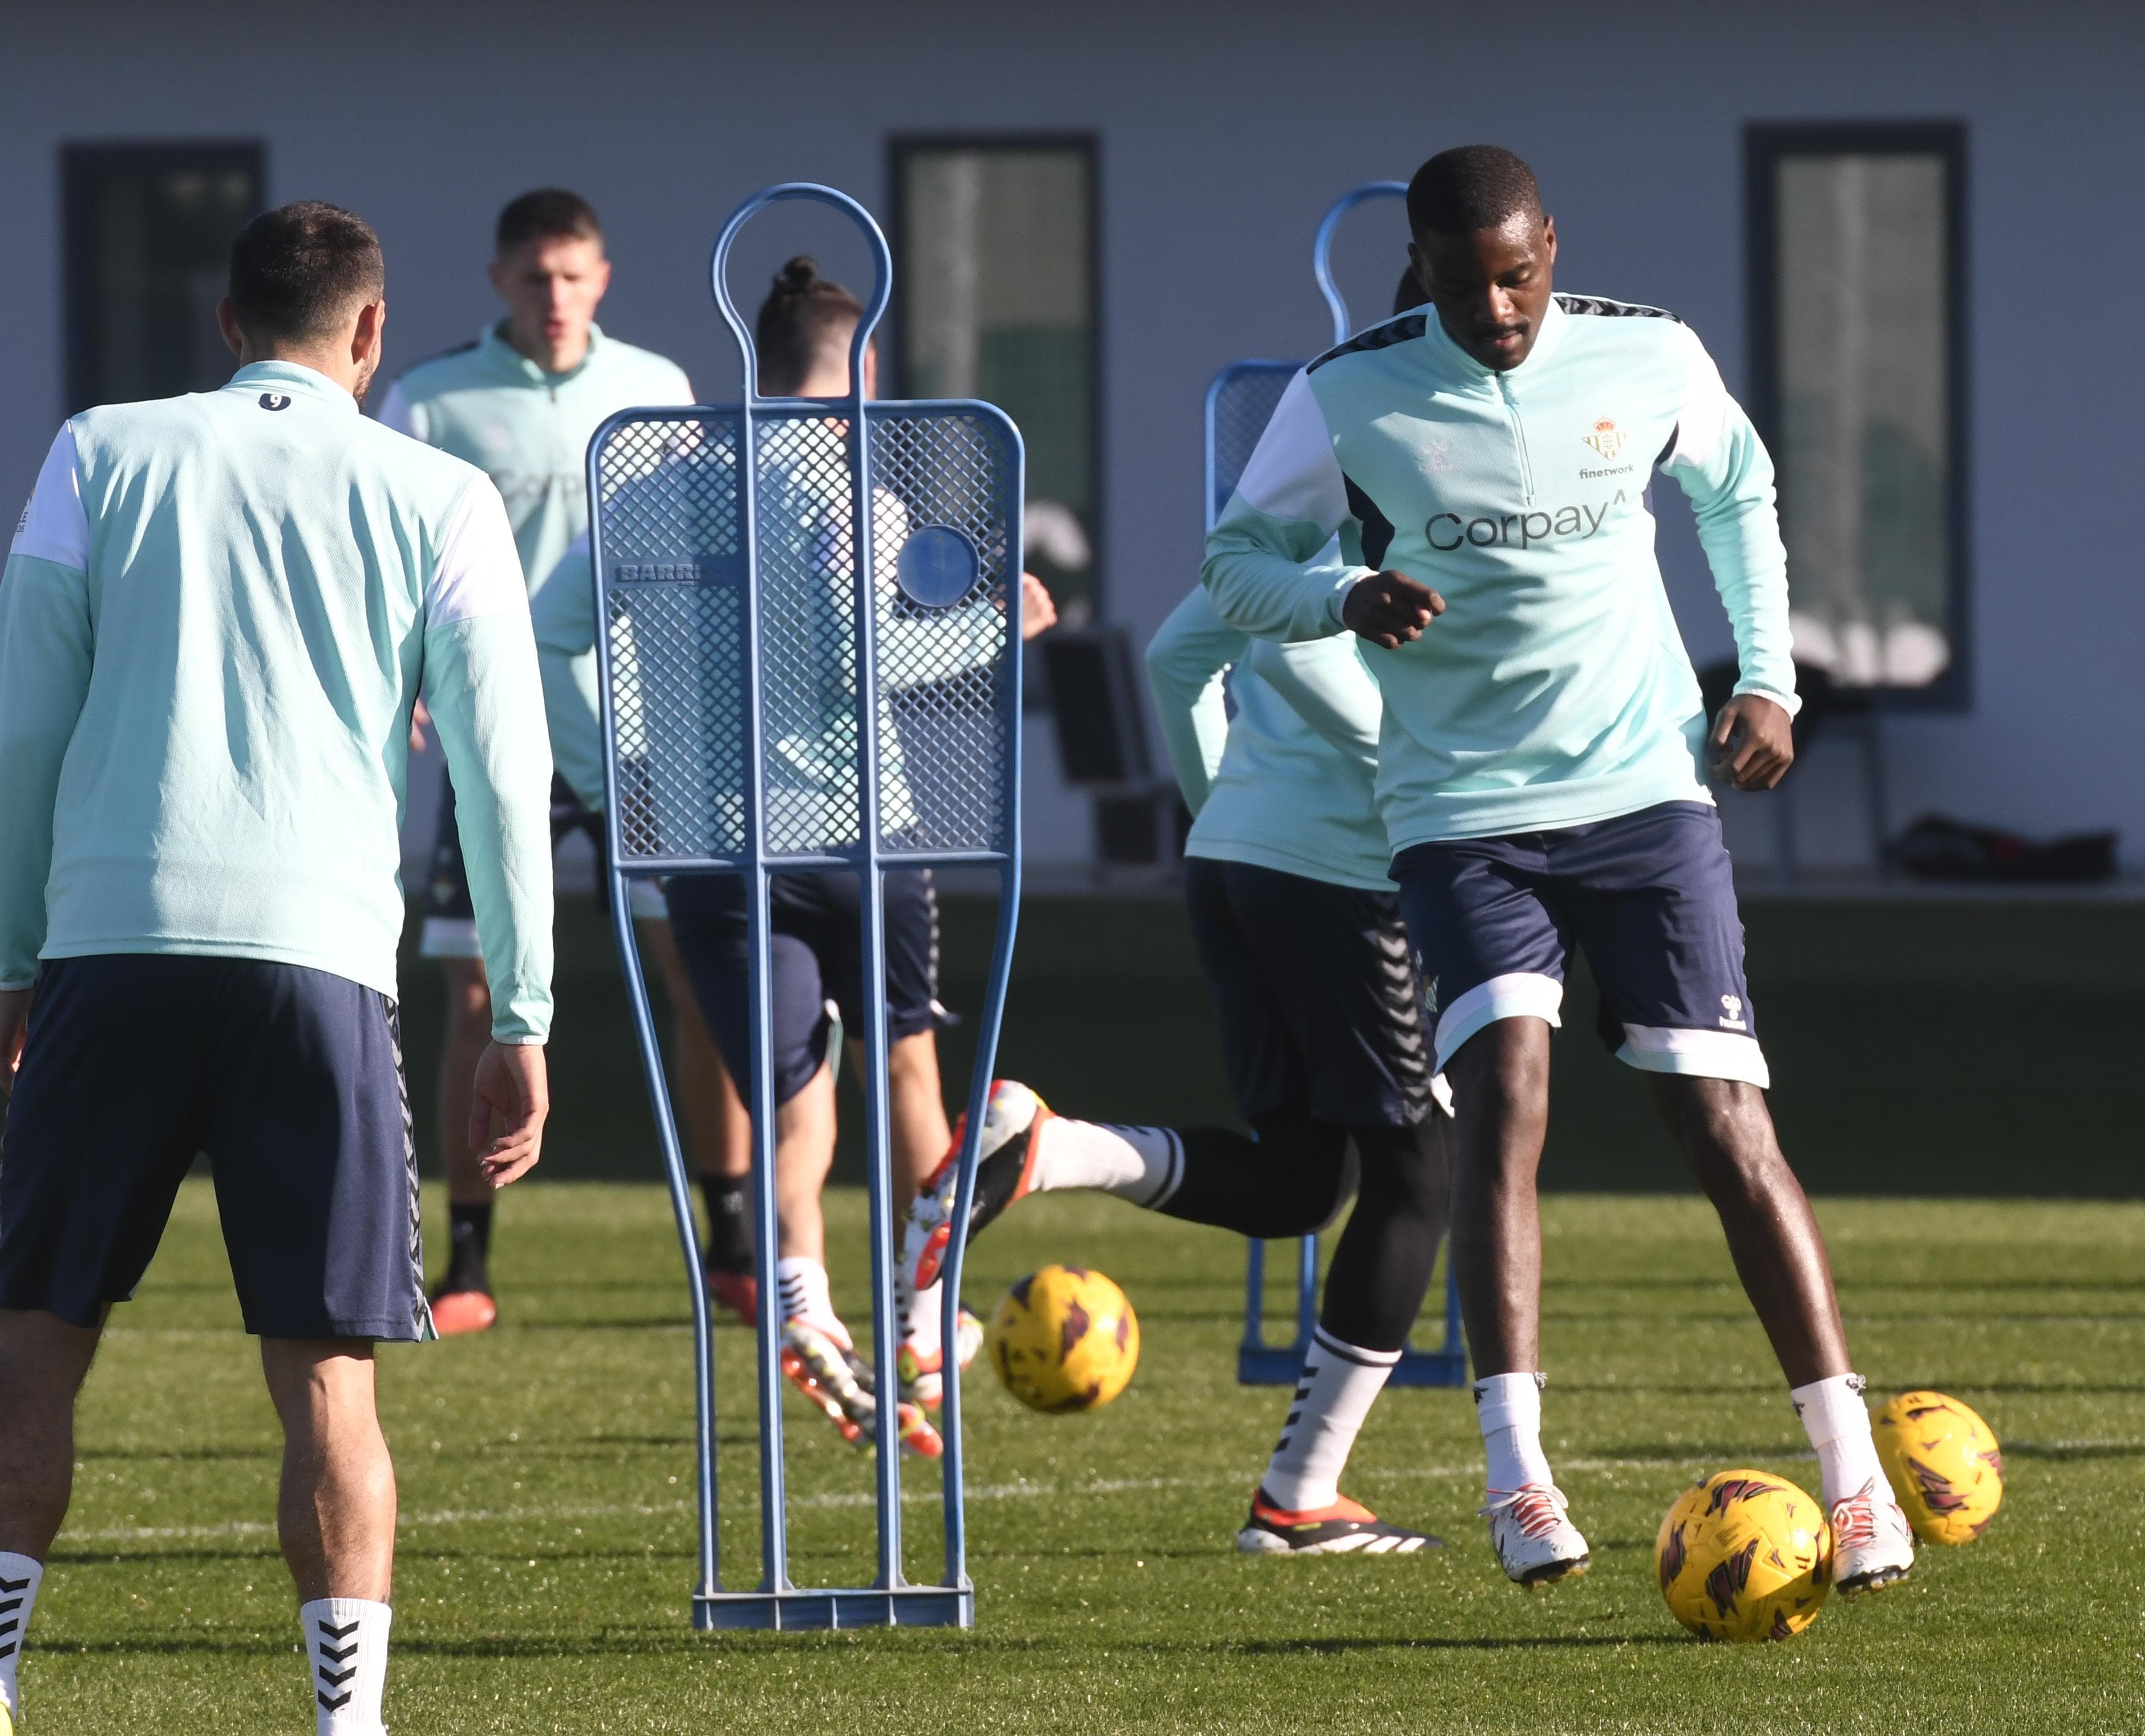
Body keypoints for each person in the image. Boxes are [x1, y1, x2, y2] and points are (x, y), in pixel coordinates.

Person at [1199, 145, 1915, 1593]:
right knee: (1505, 1093)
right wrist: (1342, 591)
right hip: (1459, 813)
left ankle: (1853, 1479)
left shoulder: (1647, 355)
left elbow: (1738, 493)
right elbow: (1232, 567)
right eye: (1464, 285)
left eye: (1516, 275)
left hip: (1645, 792)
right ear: (1424, 269)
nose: (1498, 308)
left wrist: (1767, 679)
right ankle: (1517, 1475)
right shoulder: (1348, 393)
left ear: (1549, 247)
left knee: (1723, 1124)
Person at [0, 201, 555, 1736]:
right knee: (326, 1378)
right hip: (318, 971)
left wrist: (6, 958)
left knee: (34, 1340)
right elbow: (508, 775)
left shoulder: (97, 451)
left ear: (229, 325)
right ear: (370, 334)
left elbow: (23, 728)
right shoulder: (439, 489)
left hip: (110, 947)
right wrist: (523, 1009)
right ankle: (345, 1723)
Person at [940, 272, 1452, 1558]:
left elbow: (1182, 658)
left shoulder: (1292, 504)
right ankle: (1297, 1496)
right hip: (1333, 875)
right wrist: (1411, 795)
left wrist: (1224, 807)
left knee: (1298, 1181)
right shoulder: (1389, 510)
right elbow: (1335, 675)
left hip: (1232, 861)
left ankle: (1051, 1149)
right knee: (1417, 1174)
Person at [544, 256, 1050, 1454]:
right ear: (862, 367)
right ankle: (922, 1309)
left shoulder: (646, 483)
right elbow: (855, 662)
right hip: (854, 829)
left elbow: (549, 635)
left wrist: (615, 773)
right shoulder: (846, 494)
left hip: (710, 847)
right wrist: (999, 626)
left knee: (791, 1099)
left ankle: (801, 1295)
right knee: (908, 1073)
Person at [377, 188, 749, 1336]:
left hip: (640, 735)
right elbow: (382, 546)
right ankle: (468, 1260)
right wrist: (406, 678)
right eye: (533, 277)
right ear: (499, 281)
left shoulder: (658, 391)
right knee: (476, 994)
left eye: (572, 276)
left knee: (697, 977)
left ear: (603, 277)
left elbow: (704, 557)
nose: (553, 297)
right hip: (497, 741)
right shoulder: (430, 399)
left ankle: (735, 1243)